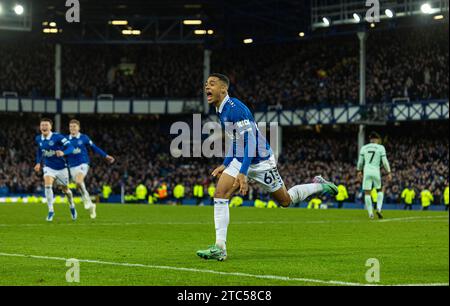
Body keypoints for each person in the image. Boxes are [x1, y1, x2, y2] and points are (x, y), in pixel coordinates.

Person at [196, 73, 338, 261]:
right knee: (220, 194)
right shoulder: (221, 110)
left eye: (212, 84)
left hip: (261, 161)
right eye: (206, 84)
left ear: (224, 89)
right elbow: (236, 141)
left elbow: (251, 142)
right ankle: (220, 247)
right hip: (241, 158)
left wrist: (243, 173)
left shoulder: (236, 109)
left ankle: (320, 185)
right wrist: (226, 163)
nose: (207, 87)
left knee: (285, 201)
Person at [66, 119, 115, 219]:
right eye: (71, 127)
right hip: (72, 166)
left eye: (74, 127)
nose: (72, 129)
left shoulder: (84, 138)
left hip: (83, 164)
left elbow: (95, 147)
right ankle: (91, 205)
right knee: (79, 186)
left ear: (78, 128)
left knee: (79, 182)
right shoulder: (66, 139)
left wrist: (105, 155)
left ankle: (87, 202)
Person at [34, 118, 76, 222]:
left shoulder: (57, 137)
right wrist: (38, 162)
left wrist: (63, 153)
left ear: (50, 127)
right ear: (40, 127)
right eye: (42, 125)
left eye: (46, 125)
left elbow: (71, 147)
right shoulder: (38, 138)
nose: (44, 127)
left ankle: (72, 205)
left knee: (66, 190)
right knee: (47, 185)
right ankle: (51, 211)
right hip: (48, 167)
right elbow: (40, 151)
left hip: (61, 168)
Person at [357, 132, 392, 220]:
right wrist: (389, 172)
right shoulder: (381, 147)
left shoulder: (364, 148)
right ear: (377, 139)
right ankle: (379, 209)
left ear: (370, 139)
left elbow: (360, 162)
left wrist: (359, 171)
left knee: (367, 193)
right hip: (376, 171)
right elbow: (384, 161)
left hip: (367, 171)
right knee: (380, 190)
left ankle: (370, 214)